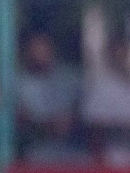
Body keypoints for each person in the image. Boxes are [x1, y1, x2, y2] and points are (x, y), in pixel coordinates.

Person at [80, 35, 130, 167]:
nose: (120, 57)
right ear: (109, 56)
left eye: (123, 52)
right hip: (116, 152)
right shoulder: (100, 84)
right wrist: (121, 127)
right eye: (115, 53)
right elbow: (93, 123)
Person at [16, 30, 85, 163]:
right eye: (35, 50)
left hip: (72, 150)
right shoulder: (19, 82)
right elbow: (19, 117)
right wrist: (46, 126)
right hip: (35, 152)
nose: (40, 54)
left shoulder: (70, 78)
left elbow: (85, 109)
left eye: (43, 49)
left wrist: (72, 120)